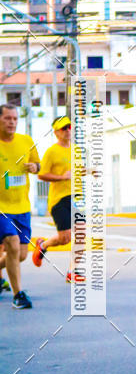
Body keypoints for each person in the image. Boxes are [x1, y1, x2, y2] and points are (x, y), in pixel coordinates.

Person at [0, 103, 41, 308]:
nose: (12, 122)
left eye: (15, 119)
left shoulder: (26, 141)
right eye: (7, 118)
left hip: (22, 207)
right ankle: (18, 296)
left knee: (21, 255)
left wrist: (35, 167)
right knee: (12, 244)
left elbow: (38, 166)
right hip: (1, 207)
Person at [32, 116, 73, 281]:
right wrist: (61, 177)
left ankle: (73, 272)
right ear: (56, 132)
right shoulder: (51, 151)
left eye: (69, 127)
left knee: (80, 234)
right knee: (64, 238)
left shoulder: (76, 149)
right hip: (59, 199)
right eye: (64, 128)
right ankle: (43, 245)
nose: (68, 130)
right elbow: (41, 174)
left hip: (77, 197)